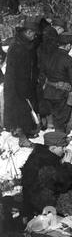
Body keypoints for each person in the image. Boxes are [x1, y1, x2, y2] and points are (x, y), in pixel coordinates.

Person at [20, 132, 72, 218]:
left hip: (43, 194)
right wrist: (68, 166)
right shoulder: (45, 163)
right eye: (62, 147)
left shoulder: (44, 154)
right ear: (53, 148)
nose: (64, 149)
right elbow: (63, 186)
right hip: (43, 201)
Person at [4, 18, 40, 147]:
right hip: (15, 82)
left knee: (27, 108)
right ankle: (22, 137)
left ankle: (26, 129)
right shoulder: (16, 46)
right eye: (33, 33)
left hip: (27, 81)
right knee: (19, 108)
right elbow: (13, 70)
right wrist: (18, 87)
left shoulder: (28, 44)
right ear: (27, 31)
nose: (34, 36)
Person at [43, 33, 72, 133]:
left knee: (52, 119)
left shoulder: (47, 57)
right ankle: (59, 143)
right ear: (68, 46)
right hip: (61, 95)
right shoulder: (69, 60)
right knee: (61, 121)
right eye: (70, 45)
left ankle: (53, 138)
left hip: (48, 92)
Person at [36, 17, 68, 130]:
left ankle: (44, 120)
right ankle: (47, 121)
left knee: (41, 94)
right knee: (47, 94)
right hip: (43, 69)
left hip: (38, 67)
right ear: (59, 28)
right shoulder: (51, 34)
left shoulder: (44, 31)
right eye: (61, 31)